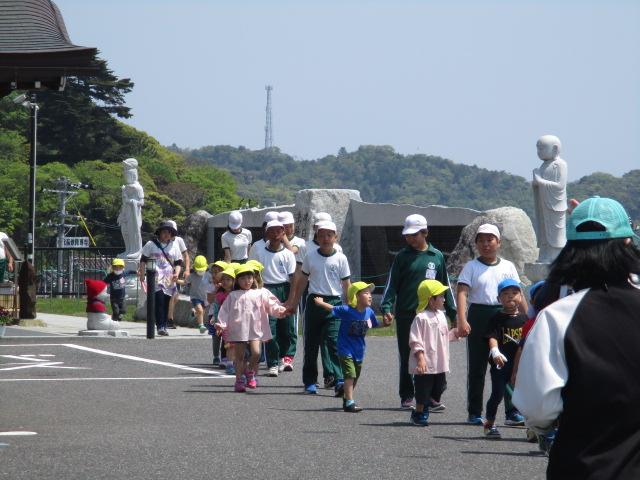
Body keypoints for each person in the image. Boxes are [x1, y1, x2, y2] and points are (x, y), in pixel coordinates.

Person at [513, 196, 640, 478]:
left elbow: (537, 408)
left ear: (570, 250)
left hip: (580, 464)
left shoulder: (556, 317)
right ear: (628, 243)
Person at [380, 214, 457, 410]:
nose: (411, 238)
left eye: (415, 234)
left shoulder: (436, 256)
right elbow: (392, 284)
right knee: (408, 354)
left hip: (433, 316)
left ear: (425, 233)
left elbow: (445, 286)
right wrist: (386, 307)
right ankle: (407, 395)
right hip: (407, 314)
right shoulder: (402, 256)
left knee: (434, 354)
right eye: (407, 235)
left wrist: (453, 314)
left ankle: (432, 396)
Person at [456, 223, 528, 424]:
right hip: (479, 315)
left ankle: (512, 411)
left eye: (490, 240)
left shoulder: (508, 266)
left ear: (499, 243)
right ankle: (475, 411)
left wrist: (529, 318)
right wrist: (462, 319)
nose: (485, 244)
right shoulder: (471, 266)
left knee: (509, 364)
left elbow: (519, 294)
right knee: (477, 366)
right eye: (481, 240)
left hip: (507, 316)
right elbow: (462, 293)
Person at [286, 221, 351, 395]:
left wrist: (349, 306)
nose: (325, 238)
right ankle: (310, 381)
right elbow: (302, 281)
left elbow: (346, 284)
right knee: (311, 344)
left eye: (329, 235)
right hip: (314, 301)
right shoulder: (310, 256)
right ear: (317, 237)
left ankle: (339, 379)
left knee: (333, 342)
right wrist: (294, 303)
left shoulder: (341, 258)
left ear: (335, 237)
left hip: (334, 303)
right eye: (321, 235)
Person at [314, 282, 391, 412]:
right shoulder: (347, 310)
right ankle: (350, 402)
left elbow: (374, 324)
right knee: (350, 374)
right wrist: (320, 303)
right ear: (356, 296)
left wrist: (385, 324)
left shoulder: (369, 312)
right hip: (345, 349)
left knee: (355, 376)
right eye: (366, 293)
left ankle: (346, 397)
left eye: (370, 293)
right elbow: (332, 308)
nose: (370, 296)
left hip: (359, 350)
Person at [215, 265, 286, 392]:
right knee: (240, 356)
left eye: (249, 278)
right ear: (237, 281)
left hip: (256, 328)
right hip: (239, 328)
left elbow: (271, 305)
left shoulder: (261, 292)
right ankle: (239, 379)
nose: (247, 281)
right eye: (243, 278)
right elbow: (225, 311)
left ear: (254, 279)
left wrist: (280, 310)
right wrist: (221, 325)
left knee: (256, 353)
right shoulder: (233, 295)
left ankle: (249, 371)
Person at [248, 220, 297, 376]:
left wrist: (291, 299)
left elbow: (293, 278)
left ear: (283, 234)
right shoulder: (260, 252)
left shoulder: (288, 254)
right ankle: (272, 363)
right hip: (266, 290)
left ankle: (283, 357)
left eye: (278, 232)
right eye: (271, 232)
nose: (275, 235)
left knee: (286, 329)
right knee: (270, 328)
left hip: (284, 288)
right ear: (266, 234)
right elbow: (254, 274)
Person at [408, 280, 460, 426]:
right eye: (441, 296)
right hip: (426, 363)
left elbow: (444, 336)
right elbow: (415, 340)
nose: (444, 300)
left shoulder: (441, 315)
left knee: (441, 386)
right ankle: (418, 413)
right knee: (422, 389)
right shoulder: (421, 317)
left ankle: (429, 401)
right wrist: (420, 359)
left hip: (439, 362)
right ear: (431, 299)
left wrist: (456, 333)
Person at [481, 279, 527, 439]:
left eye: (514, 293)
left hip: (521, 366)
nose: (510, 296)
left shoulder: (525, 319)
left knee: (526, 397)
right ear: (499, 298)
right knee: (497, 394)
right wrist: (495, 352)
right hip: (501, 365)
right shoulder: (496, 318)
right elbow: (492, 337)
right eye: (505, 293)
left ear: (521, 296)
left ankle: (532, 427)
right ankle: (490, 423)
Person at [139, 221, 183, 336]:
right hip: (155, 278)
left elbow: (178, 262)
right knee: (159, 300)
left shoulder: (174, 246)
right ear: (159, 232)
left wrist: (177, 273)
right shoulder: (151, 244)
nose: (166, 234)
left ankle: (163, 324)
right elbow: (143, 259)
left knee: (166, 302)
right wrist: (142, 273)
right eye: (164, 232)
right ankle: (160, 326)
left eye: (169, 232)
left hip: (169, 279)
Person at [532, 135, 568, 262]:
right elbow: (538, 185)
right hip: (544, 204)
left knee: (555, 233)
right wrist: (536, 184)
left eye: (542, 148)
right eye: (538, 148)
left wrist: (540, 181)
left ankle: (555, 256)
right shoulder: (543, 166)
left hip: (555, 205)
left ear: (555, 148)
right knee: (544, 233)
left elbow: (560, 186)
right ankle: (544, 255)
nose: (539, 151)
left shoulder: (560, 164)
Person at [117, 158, 144, 259]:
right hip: (126, 213)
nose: (126, 178)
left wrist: (129, 201)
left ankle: (136, 250)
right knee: (125, 232)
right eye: (125, 175)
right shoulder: (125, 187)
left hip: (134, 214)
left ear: (134, 175)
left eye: (128, 175)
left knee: (134, 233)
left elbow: (141, 202)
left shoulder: (138, 188)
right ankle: (128, 250)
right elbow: (124, 203)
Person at [211, 267, 236, 374]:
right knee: (228, 344)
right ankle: (228, 362)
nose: (225, 282)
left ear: (234, 281)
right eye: (223, 279)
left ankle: (236, 361)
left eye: (228, 279)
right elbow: (217, 309)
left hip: (237, 323)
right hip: (224, 324)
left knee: (238, 344)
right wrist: (217, 322)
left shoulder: (237, 294)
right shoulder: (219, 295)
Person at [177, 255, 210, 333]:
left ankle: (194, 313)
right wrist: (177, 280)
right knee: (200, 310)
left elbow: (214, 281)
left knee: (201, 311)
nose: (200, 271)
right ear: (195, 268)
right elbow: (184, 282)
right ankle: (201, 325)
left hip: (205, 297)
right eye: (199, 269)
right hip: (195, 296)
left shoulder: (208, 275)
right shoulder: (192, 276)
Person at [167, 220, 190, 329]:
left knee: (175, 297)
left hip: (176, 270)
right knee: (172, 296)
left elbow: (186, 255)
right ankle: (169, 319)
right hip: (166, 271)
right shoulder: (162, 241)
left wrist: (187, 269)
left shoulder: (179, 240)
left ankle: (167, 315)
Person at [206, 260, 228, 366]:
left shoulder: (228, 287)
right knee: (215, 336)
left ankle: (225, 357)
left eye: (216, 272)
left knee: (226, 336)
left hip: (226, 315)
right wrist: (216, 289)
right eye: (212, 272)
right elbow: (210, 301)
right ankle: (216, 356)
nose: (213, 275)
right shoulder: (210, 286)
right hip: (213, 314)